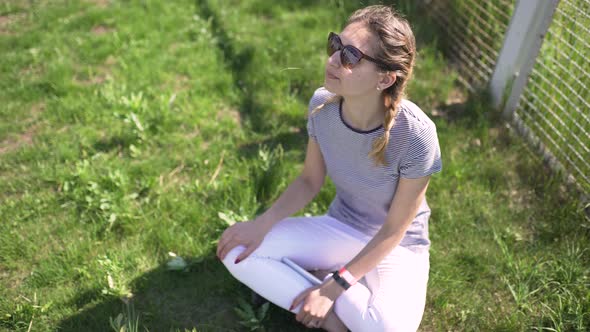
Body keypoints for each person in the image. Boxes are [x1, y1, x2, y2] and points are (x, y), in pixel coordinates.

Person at [216, 4, 442, 332]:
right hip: (343, 226)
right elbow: (310, 181)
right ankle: (334, 317)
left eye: (350, 55)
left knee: (388, 329)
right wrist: (261, 224)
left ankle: (328, 284)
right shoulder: (321, 106)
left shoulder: (417, 134)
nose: (334, 60)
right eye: (336, 45)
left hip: (397, 246)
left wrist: (333, 287)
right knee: (237, 250)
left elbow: (394, 229)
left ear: (385, 78)